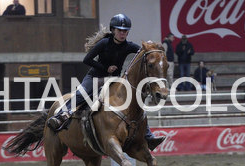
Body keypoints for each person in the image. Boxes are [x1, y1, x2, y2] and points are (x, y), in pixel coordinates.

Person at [47, 13, 165, 150]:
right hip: (95, 77)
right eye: (120, 30)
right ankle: (60, 115)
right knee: (81, 94)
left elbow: (144, 53)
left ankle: (148, 136)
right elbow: (87, 60)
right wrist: (105, 68)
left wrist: (152, 47)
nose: (123, 33)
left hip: (114, 80)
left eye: (125, 31)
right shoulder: (104, 43)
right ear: (113, 30)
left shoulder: (129, 46)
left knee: (135, 103)